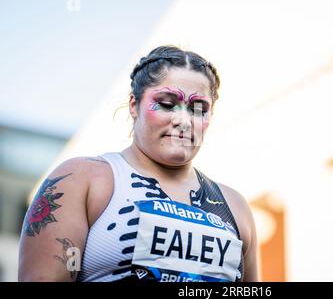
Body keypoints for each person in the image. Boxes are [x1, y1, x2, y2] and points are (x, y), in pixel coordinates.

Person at [18, 45, 260, 282]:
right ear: (134, 105)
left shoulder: (235, 207)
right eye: (167, 104)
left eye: (199, 109)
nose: (184, 121)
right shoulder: (83, 180)